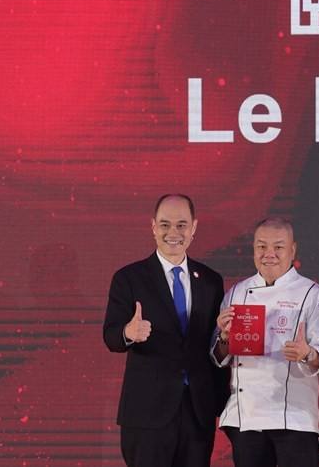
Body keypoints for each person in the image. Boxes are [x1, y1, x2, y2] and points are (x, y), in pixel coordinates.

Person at [103, 194, 229, 467]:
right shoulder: (129, 278)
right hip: (147, 412)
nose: (173, 232)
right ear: (153, 226)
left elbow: (213, 346)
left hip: (197, 411)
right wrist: (128, 332)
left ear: (194, 227)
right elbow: (110, 336)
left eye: (182, 225)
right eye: (165, 225)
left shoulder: (210, 281)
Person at [212, 217, 319, 467]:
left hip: (294, 417)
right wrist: (224, 337)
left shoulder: (313, 294)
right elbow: (219, 356)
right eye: (261, 246)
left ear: (292, 250)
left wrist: (307, 353)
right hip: (247, 417)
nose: (269, 254)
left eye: (278, 247)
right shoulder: (236, 292)